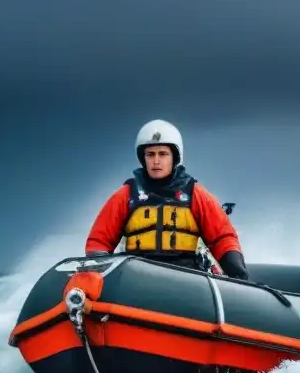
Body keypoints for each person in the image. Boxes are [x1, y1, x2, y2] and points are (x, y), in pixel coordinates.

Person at [84, 119, 250, 280]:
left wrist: (237, 273)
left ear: (174, 158)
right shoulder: (126, 195)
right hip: (136, 280)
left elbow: (222, 237)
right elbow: (99, 240)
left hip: (187, 279)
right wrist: (96, 272)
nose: (156, 161)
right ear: (143, 159)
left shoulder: (195, 194)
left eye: (163, 154)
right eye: (150, 154)